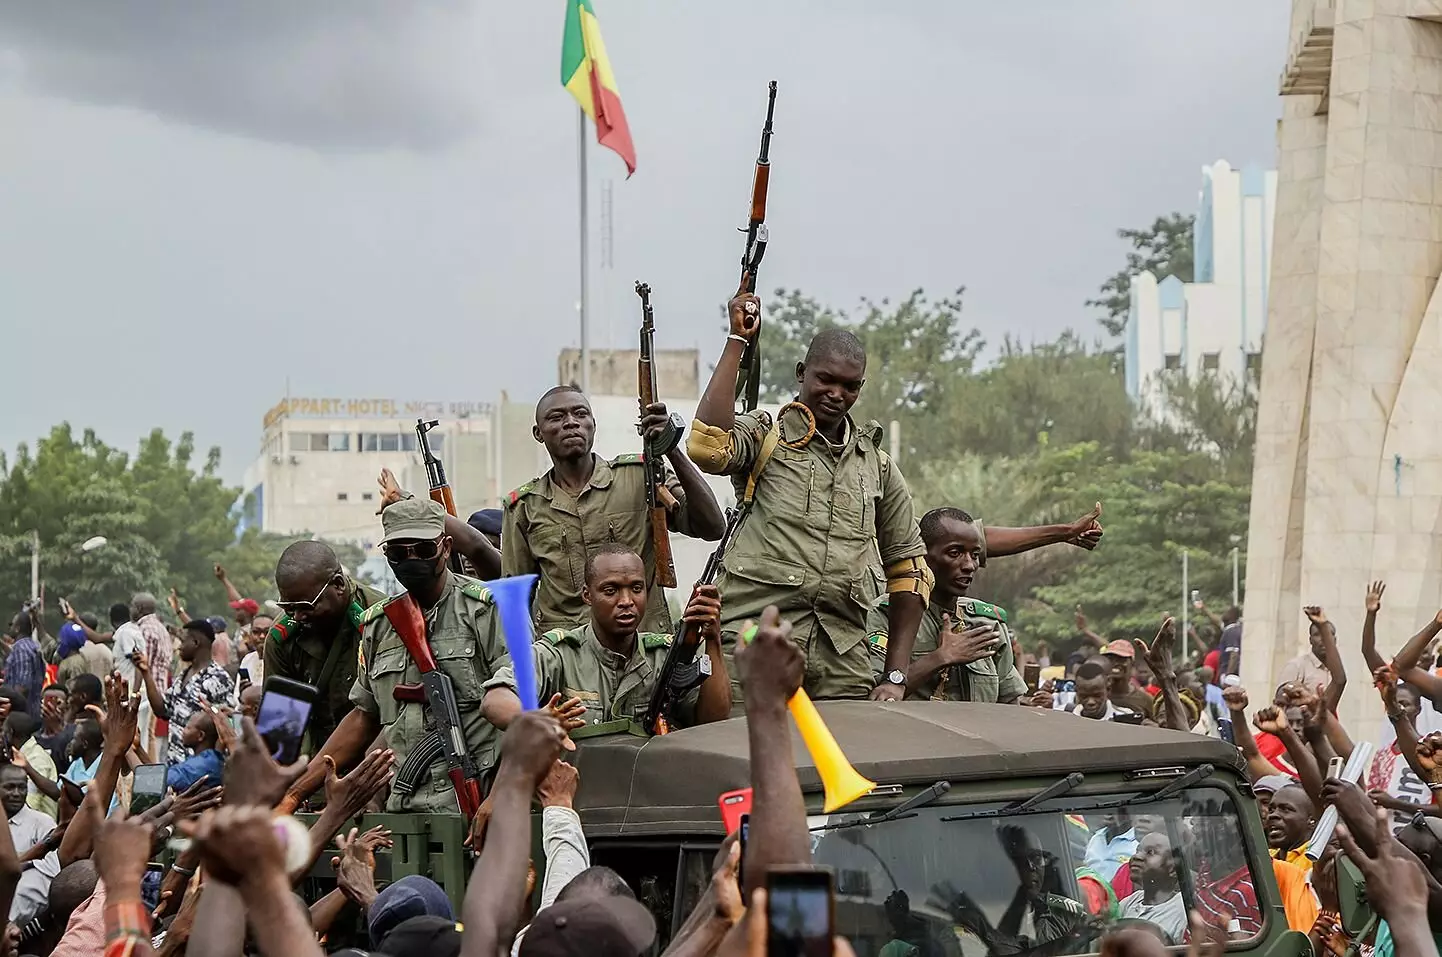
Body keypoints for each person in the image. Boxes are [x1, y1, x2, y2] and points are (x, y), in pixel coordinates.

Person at [687, 310, 931, 704]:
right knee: (746, 757)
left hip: (842, 661)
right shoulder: (767, 435)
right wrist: (737, 341)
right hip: (753, 640)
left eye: (850, 386)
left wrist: (896, 675)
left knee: (836, 764)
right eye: (826, 379)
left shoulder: (877, 466)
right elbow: (707, 447)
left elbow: (911, 572)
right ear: (802, 372)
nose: (837, 394)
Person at [283, 498, 507, 824]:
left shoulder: (486, 610)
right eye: (399, 553)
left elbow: (524, 715)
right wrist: (296, 791)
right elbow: (364, 716)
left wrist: (500, 796)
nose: (411, 559)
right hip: (404, 809)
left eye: (423, 549)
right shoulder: (378, 625)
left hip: (478, 804)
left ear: (446, 548)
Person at [502, 385, 726, 633]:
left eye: (580, 414)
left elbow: (712, 526)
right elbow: (515, 602)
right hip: (568, 657)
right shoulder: (524, 507)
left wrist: (670, 447)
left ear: (593, 424)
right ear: (538, 433)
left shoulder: (640, 477)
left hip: (644, 648)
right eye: (557, 417)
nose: (571, 423)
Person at [482, 543, 732, 734]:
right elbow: (495, 701)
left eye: (636, 589)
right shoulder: (559, 653)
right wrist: (534, 721)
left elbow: (712, 721)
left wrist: (713, 642)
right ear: (587, 595)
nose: (626, 601)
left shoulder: (663, 656)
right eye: (610, 591)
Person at [865, 507, 1028, 703]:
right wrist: (939, 658)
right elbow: (872, 698)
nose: (969, 565)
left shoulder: (986, 624)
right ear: (922, 555)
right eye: (954, 553)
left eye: (975, 555)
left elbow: (1010, 704)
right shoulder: (884, 616)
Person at [265, 540, 385, 752]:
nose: (298, 616)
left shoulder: (381, 621)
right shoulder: (282, 638)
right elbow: (282, 730)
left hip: (378, 753)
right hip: (317, 758)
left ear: (338, 585)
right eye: (288, 607)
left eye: (306, 606)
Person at [135, 618, 234, 766]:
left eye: (183, 641)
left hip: (200, 771)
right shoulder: (183, 676)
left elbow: (224, 728)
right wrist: (146, 673)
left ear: (195, 643)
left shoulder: (218, 679)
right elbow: (162, 710)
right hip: (176, 766)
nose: (179, 647)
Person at [1115, 832, 1187, 943]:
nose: (1136, 856)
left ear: (1172, 869)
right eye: (1137, 851)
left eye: (1150, 852)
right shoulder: (1129, 902)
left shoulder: (1184, 909)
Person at [7, 709, 57, 817]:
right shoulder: (20, 753)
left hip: (38, 828)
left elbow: (30, 804)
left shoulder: (37, 759)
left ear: (10, 732)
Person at [165, 710, 226, 794]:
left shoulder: (204, 764)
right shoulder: (208, 758)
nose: (183, 731)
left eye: (188, 728)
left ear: (200, 735)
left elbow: (163, 780)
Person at [0, 763, 54, 856]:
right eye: (9, 787)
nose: (16, 793)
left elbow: (52, 865)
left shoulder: (43, 823)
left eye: (22, 788)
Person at [1064, 658, 1140, 721]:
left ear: (1108, 689)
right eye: (1084, 696)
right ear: (1076, 691)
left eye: (1097, 695)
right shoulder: (1062, 715)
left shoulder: (1125, 718)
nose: (1091, 702)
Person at [1265, 784, 1315, 873]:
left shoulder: (1317, 861)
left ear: (1311, 820)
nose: (1272, 815)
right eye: (1271, 810)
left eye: (1285, 809)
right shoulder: (1262, 857)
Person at [1098, 640, 1155, 715]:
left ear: (1132, 663)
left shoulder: (1145, 699)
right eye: (1111, 659)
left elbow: (1157, 724)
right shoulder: (1098, 696)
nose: (1115, 663)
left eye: (1121, 659)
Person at [4, 611, 44, 719]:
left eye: (11, 624)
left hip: (22, 715)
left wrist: (13, 712)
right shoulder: (33, 646)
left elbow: (22, 686)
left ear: (17, 628)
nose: (10, 628)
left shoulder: (20, 649)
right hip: (33, 710)